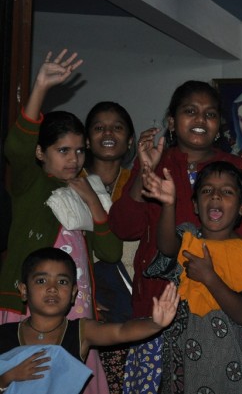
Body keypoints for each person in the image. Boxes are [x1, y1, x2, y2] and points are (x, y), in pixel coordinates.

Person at [107, 80, 242, 392]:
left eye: (209, 114)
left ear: (219, 125)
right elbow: (124, 227)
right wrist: (145, 171)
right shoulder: (156, 162)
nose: (200, 119)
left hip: (223, 314)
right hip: (156, 307)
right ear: (171, 121)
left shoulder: (235, 169)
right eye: (190, 111)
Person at [0, 50, 121, 394]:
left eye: (80, 150)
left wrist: (93, 200)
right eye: (63, 150)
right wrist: (40, 86)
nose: (74, 159)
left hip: (75, 310)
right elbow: (17, 147)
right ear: (41, 153)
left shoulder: (87, 189)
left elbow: (111, 252)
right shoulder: (31, 184)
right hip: (28, 308)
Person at [141, 161, 242, 394]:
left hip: (229, 367)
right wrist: (168, 205)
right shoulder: (189, 238)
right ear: (195, 204)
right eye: (207, 190)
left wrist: (209, 277)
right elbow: (167, 246)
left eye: (227, 192)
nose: (216, 196)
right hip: (183, 366)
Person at [0, 247, 179, 394]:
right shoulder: (5, 333)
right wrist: (8, 377)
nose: (52, 288)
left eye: (62, 282)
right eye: (41, 281)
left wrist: (155, 324)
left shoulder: (81, 331)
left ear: (73, 293)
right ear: (24, 290)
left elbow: (121, 331)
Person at [82, 101, 136, 394]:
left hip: (131, 301)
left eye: (117, 127)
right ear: (87, 139)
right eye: (99, 127)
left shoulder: (138, 185)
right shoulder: (72, 184)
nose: (108, 133)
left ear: (130, 140)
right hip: (84, 301)